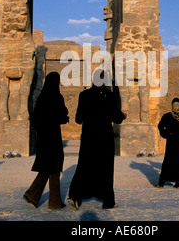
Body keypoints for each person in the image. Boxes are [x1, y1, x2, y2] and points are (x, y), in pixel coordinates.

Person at [68, 69, 126, 210]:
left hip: (89, 137)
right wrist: (122, 116)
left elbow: (78, 119)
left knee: (84, 166)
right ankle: (108, 201)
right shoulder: (110, 96)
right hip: (105, 137)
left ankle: (75, 196)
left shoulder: (84, 95)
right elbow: (116, 118)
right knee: (105, 168)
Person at [23, 72, 69, 210]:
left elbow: (36, 117)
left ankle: (33, 195)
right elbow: (62, 113)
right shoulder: (56, 97)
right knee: (53, 168)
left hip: (43, 138)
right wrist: (63, 119)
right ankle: (53, 202)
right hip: (53, 137)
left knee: (48, 167)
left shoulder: (41, 98)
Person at [156, 98, 179, 188]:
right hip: (171, 144)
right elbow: (160, 126)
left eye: (177, 105)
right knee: (167, 162)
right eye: (174, 105)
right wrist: (166, 134)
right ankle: (161, 182)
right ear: (171, 105)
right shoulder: (167, 116)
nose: (176, 106)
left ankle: (178, 183)